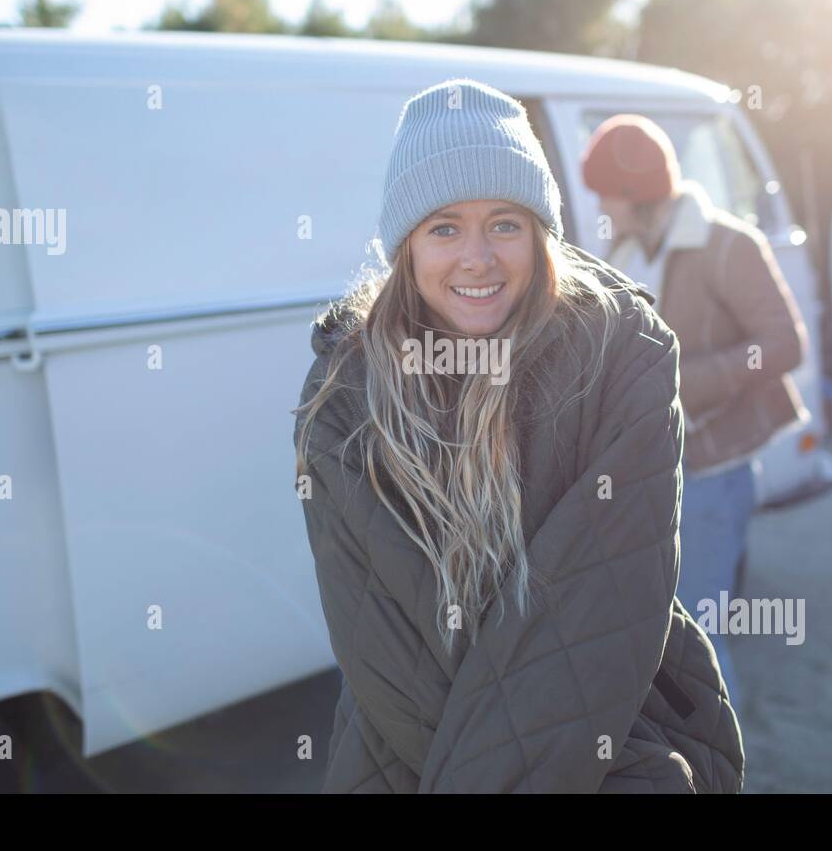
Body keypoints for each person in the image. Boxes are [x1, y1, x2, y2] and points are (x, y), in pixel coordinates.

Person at [293, 78, 745, 793]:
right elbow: (379, 645)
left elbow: (606, 609)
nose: (478, 257)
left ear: (539, 233)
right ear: (406, 245)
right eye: (445, 227)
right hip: (402, 754)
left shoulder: (621, 357)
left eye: (505, 223)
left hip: (611, 742)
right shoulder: (345, 395)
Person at [580, 114, 810, 709]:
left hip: (712, 474)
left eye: (606, 190)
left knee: (701, 642)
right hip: (647, 471)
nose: (599, 203)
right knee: (651, 633)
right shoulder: (624, 248)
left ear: (633, 195)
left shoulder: (730, 245)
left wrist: (682, 383)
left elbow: (785, 343)